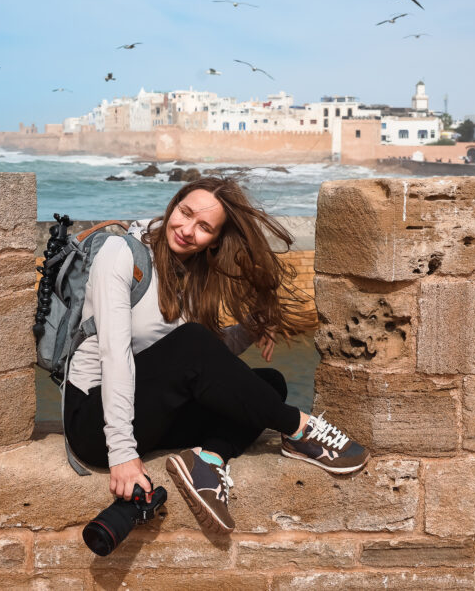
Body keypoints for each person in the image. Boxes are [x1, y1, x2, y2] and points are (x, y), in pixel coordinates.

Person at [63, 177, 369, 535]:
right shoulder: (121, 253)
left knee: (268, 385)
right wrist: (122, 455)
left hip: (146, 411)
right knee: (197, 344)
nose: (187, 230)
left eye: (204, 227)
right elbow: (116, 355)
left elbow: (204, 364)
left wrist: (251, 328)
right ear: (173, 204)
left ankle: (209, 461)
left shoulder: (192, 274)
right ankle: (302, 430)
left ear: (216, 239)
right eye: (185, 212)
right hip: (95, 422)